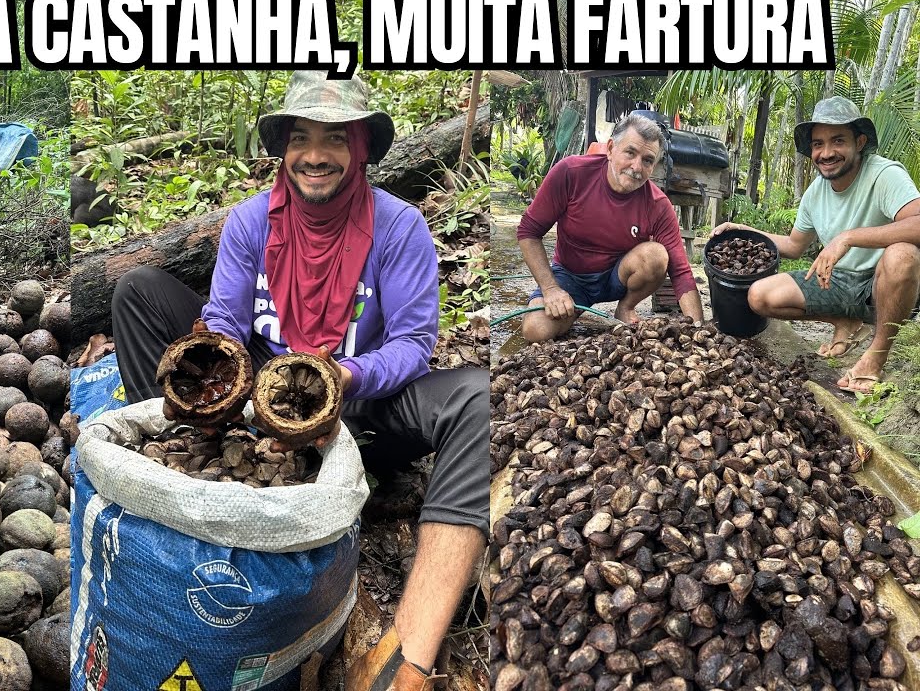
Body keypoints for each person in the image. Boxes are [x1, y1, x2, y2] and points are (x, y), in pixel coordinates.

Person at [110, 71, 489, 690]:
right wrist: (218, 367)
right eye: (301, 138)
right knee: (138, 292)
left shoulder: (399, 229)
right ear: (283, 148)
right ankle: (185, 472)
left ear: (360, 148)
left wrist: (345, 377)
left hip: (361, 411)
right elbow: (228, 318)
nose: (315, 155)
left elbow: (415, 345)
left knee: (477, 395)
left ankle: (410, 656)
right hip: (259, 404)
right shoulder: (251, 222)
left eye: (334, 139)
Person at [712, 96, 920, 393]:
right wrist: (746, 230)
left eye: (838, 141)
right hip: (835, 283)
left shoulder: (884, 175)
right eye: (818, 144)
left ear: (859, 142)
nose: (826, 152)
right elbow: (795, 246)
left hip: (881, 286)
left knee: (903, 254)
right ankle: (846, 324)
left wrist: (848, 237)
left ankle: (876, 355)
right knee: (759, 296)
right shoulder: (816, 191)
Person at [516, 114, 706, 341]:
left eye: (647, 160)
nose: (637, 167)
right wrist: (550, 289)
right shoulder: (571, 173)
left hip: (619, 277)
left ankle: (625, 308)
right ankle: (574, 306)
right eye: (630, 153)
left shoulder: (658, 205)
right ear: (610, 149)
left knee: (656, 255)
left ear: (654, 166)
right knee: (535, 330)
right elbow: (528, 231)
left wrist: (697, 331)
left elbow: (681, 272)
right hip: (570, 276)